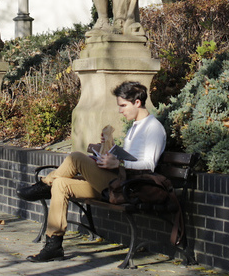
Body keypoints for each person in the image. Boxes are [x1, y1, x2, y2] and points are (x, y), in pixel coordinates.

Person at [17, 81, 166, 262]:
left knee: (76, 157)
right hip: (116, 183)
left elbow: (149, 165)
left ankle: (43, 185)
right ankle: (53, 245)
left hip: (130, 187)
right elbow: (129, 157)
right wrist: (105, 149)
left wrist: (118, 163)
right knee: (61, 183)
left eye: (123, 106)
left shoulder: (154, 128)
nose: (120, 110)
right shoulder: (135, 127)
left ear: (137, 103)